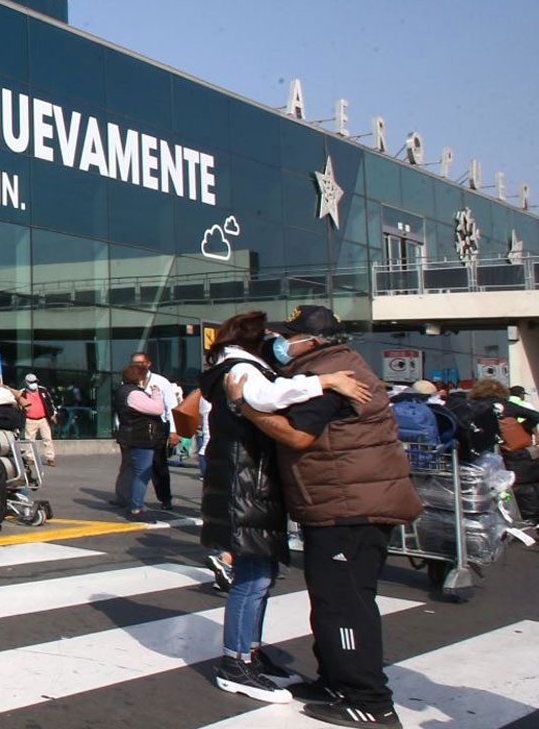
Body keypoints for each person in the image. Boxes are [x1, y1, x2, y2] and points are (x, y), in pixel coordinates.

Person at [230, 305, 420, 728]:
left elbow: (298, 434)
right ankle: (335, 680)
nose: (281, 343)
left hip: (350, 508)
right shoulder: (328, 370)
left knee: (344, 604)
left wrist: (247, 407)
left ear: (312, 341)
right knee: (331, 599)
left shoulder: (334, 377)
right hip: (341, 503)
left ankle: (368, 700)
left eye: (289, 335)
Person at [200, 311, 373, 705]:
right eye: (274, 335)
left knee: (261, 571)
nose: (281, 342)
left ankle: (251, 654)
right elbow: (263, 398)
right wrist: (324, 381)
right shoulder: (240, 368)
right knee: (253, 576)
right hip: (245, 484)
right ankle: (236, 663)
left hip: (249, 483)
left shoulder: (240, 365)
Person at [113, 359, 166, 519]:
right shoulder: (134, 394)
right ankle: (135, 507)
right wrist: (156, 393)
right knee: (142, 472)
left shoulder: (124, 391)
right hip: (140, 437)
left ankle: (129, 501)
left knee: (131, 469)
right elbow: (157, 409)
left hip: (130, 436)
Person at [140, 354, 183, 509]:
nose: (138, 365)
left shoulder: (160, 381)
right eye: (135, 363)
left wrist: (173, 431)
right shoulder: (130, 381)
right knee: (134, 464)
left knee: (158, 464)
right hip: (138, 426)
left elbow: (171, 407)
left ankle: (165, 498)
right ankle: (133, 498)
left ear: (149, 363)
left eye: (141, 362)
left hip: (158, 426)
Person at [19, 373, 58, 465]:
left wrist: (53, 414)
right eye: (32, 382)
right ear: (27, 383)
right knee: (29, 440)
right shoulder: (22, 393)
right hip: (30, 419)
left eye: (35, 381)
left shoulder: (42, 390)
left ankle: (50, 458)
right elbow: (19, 406)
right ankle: (30, 458)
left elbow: (50, 403)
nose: (34, 384)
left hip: (43, 419)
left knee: (47, 439)